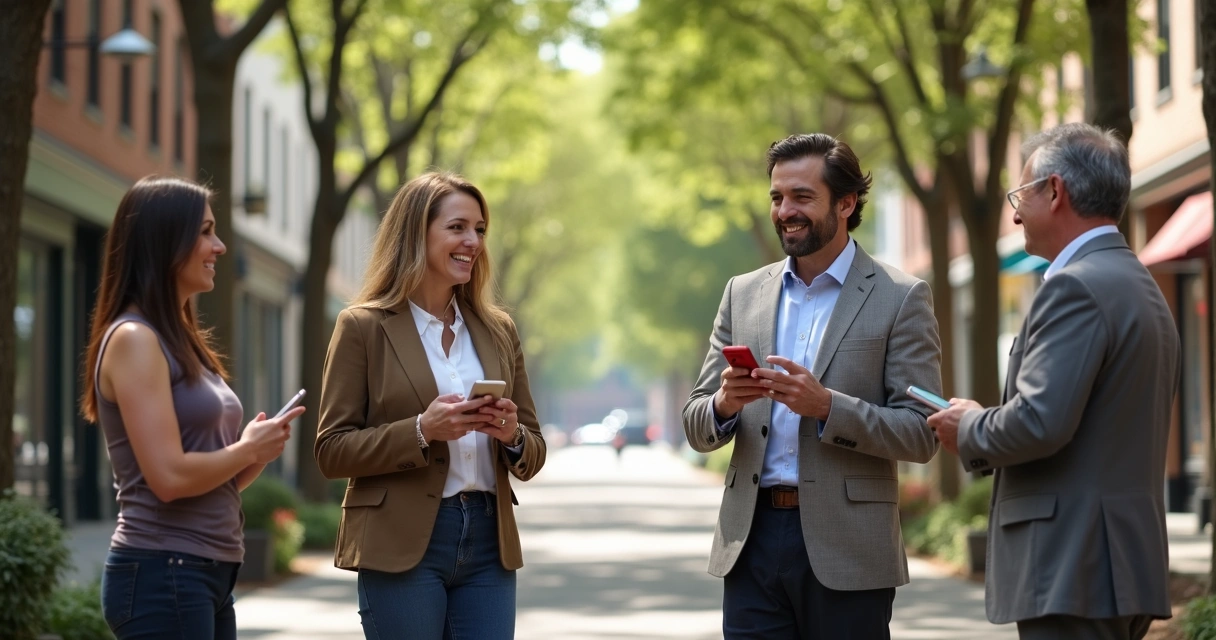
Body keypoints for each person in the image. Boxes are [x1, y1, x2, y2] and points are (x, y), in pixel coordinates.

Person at [683, 133, 943, 639]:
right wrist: (723, 403)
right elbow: (696, 423)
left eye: (802, 197)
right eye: (777, 198)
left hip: (850, 550)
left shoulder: (901, 297)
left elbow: (922, 433)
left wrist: (827, 407)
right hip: (750, 543)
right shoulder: (743, 294)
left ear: (846, 203)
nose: (785, 211)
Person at [927, 123, 1180, 640]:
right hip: (1117, 564)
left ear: (1055, 192)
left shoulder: (1075, 287)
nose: (1015, 213)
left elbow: (1041, 421)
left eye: (1020, 195)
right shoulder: (1139, 284)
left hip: (1072, 566)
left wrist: (970, 425)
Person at [316, 172, 546, 640]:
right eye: (457, 227)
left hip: (488, 541)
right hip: (401, 540)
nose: (473, 241)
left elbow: (534, 449)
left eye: (480, 229)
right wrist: (422, 429)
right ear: (416, 233)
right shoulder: (362, 326)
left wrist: (511, 435)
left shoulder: (498, 329)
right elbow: (331, 450)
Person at [81, 176, 303, 640]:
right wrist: (245, 451)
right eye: (205, 232)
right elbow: (168, 479)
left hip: (204, 572)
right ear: (165, 241)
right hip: (165, 570)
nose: (219, 246)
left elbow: (212, 483)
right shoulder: (135, 340)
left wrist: (255, 454)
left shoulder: (181, 341)